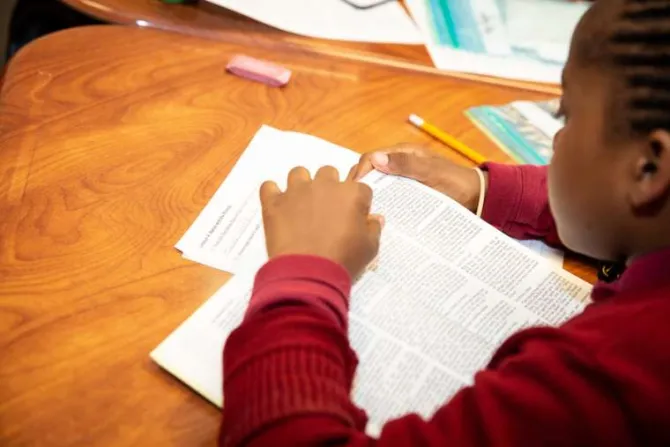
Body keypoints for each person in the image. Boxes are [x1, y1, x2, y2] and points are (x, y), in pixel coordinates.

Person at [220, 0, 670, 445]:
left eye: (565, 114)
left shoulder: (609, 375)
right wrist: (489, 190)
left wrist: (304, 276)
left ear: (650, 168)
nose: (555, 138)